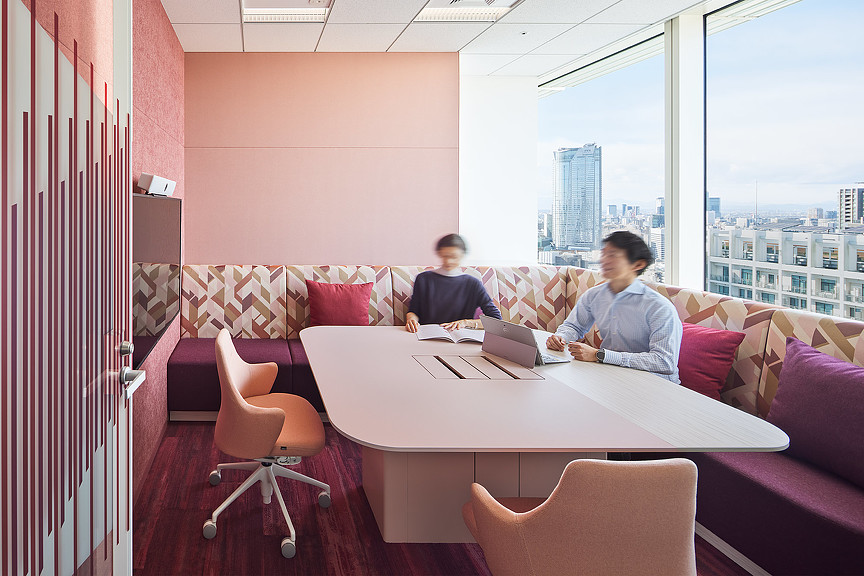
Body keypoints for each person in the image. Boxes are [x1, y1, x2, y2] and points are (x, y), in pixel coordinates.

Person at [546, 231, 683, 384]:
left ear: (638, 264)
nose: (604, 260)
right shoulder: (594, 295)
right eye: (604, 254)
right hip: (612, 375)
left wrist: (600, 355)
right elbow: (574, 326)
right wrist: (561, 338)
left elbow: (663, 362)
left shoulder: (659, 307)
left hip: (656, 384)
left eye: (613, 255)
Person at [405, 234, 502, 333]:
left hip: (461, 338)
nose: (448, 261)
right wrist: (411, 320)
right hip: (428, 335)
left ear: (462, 256)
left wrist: (466, 323)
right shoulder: (423, 279)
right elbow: (414, 310)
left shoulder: (473, 284)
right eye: (445, 256)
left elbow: (496, 320)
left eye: (454, 257)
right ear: (439, 254)